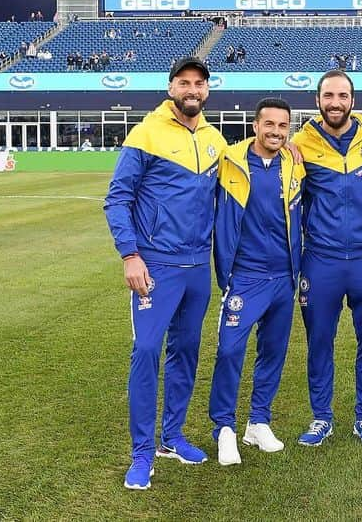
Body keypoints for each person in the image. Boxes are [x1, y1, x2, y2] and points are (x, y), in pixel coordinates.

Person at [104, 56, 227, 490]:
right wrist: (130, 255)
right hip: (155, 264)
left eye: (199, 83)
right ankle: (141, 453)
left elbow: (239, 180)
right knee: (147, 351)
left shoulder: (215, 139)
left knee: (186, 352)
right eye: (184, 83)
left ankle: (171, 437)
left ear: (207, 91)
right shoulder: (146, 132)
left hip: (198, 266)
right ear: (171, 87)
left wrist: (289, 147)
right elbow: (117, 199)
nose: (192, 90)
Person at [292, 70, 362, 448]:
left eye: (342, 95)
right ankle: (322, 417)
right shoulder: (299, 144)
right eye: (328, 95)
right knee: (320, 341)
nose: (335, 102)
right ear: (318, 99)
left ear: (353, 99)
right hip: (321, 260)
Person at [209, 98, 305, 465]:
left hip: (284, 276)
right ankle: (224, 429)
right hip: (244, 277)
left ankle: (258, 422)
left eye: (283, 126)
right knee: (230, 351)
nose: (276, 132)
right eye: (270, 125)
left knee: (273, 352)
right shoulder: (228, 159)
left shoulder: (295, 164)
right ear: (255, 125)